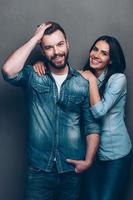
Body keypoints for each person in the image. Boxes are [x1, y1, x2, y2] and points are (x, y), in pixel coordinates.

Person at [2, 22, 100, 200]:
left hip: (71, 170)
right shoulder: (33, 76)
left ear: (67, 43)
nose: (56, 52)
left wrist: (88, 161)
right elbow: (8, 71)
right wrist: (35, 38)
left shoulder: (81, 82)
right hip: (39, 170)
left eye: (60, 44)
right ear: (42, 49)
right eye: (49, 47)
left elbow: (92, 126)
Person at [34, 35, 132, 200]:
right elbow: (59, 74)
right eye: (95, 49)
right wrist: (42, 64)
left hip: (116, 154)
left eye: (104, 53)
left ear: (111, 60)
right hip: (92, 154)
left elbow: (99, 111)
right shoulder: (81, 77)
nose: (96, 55)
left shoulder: (118, 79)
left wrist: (92, 80)